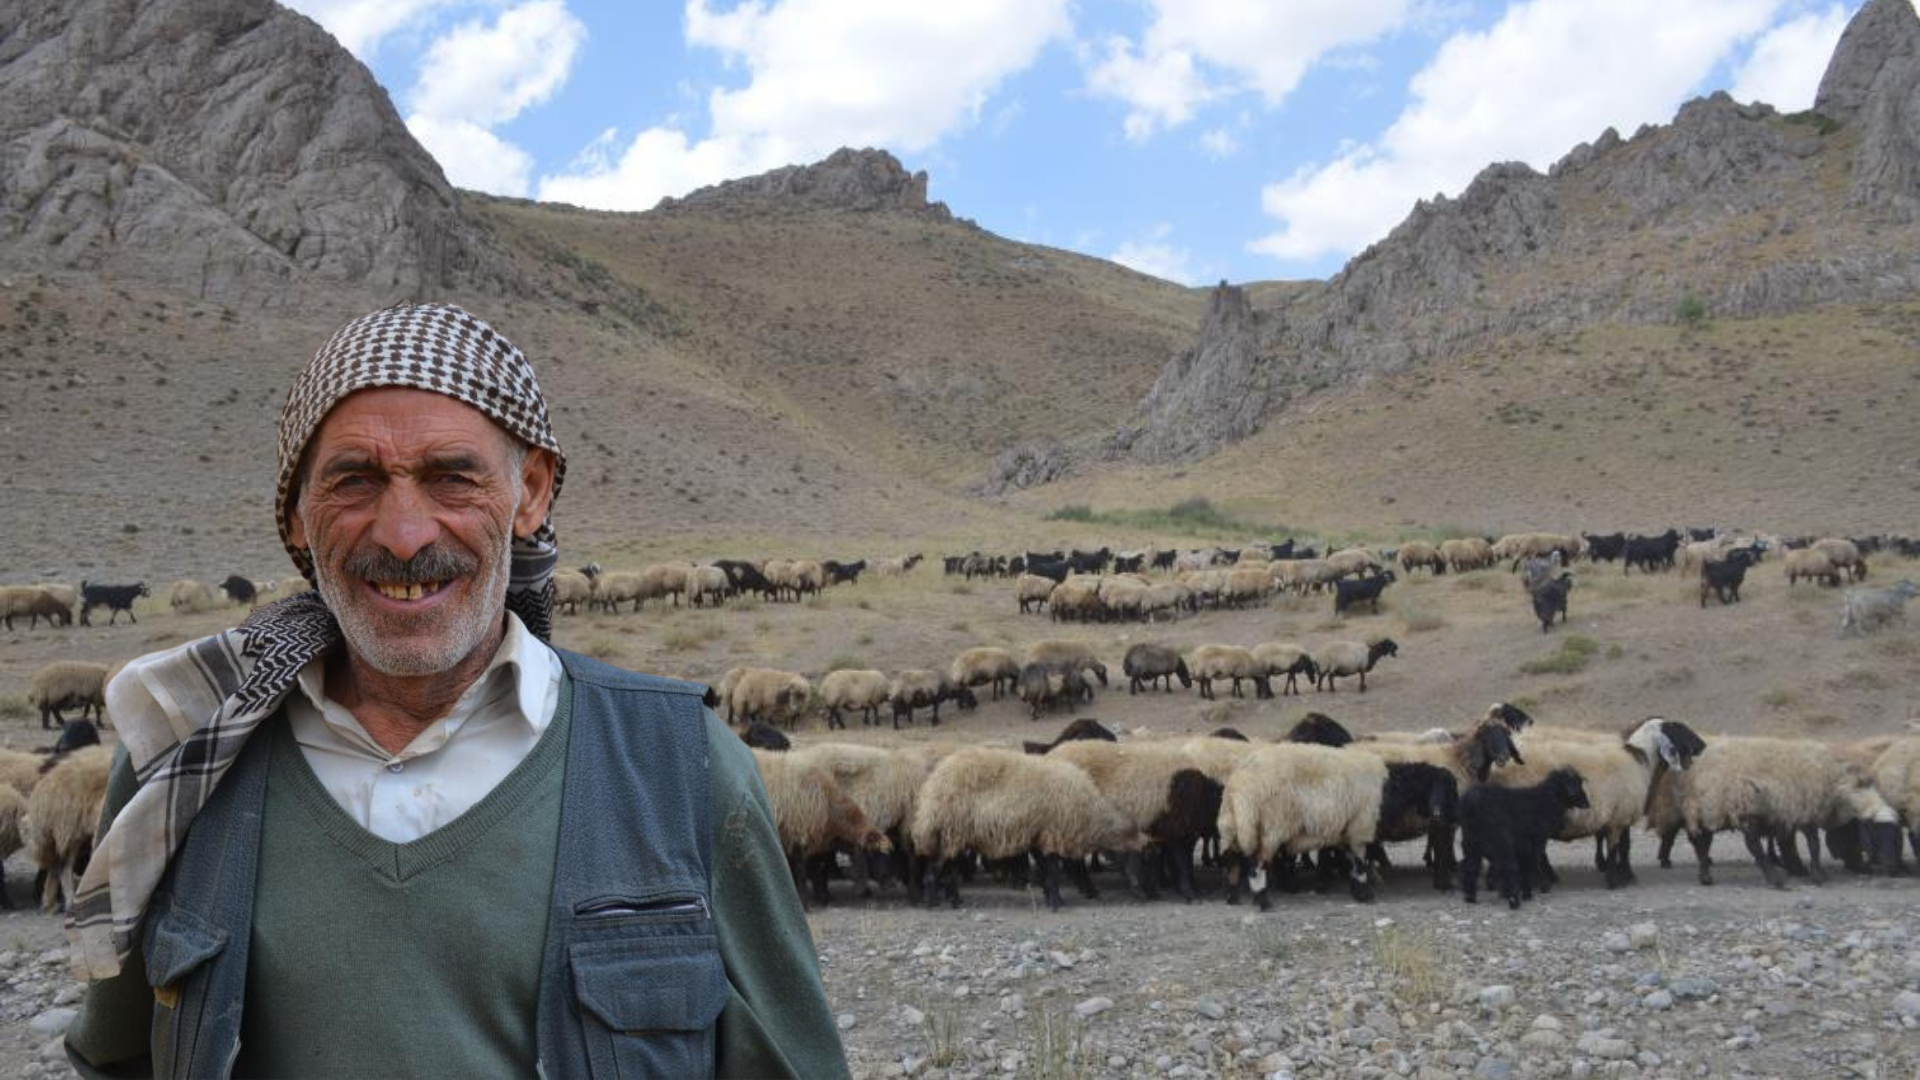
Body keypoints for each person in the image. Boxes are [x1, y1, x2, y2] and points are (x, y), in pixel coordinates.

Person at [62, 303, 850, 1079]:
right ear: (298, 514)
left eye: (451, 478)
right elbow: (121, 1057)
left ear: (531, 492)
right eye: (354, 481)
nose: (404, 534)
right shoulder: (188, 759)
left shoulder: (685, 771)